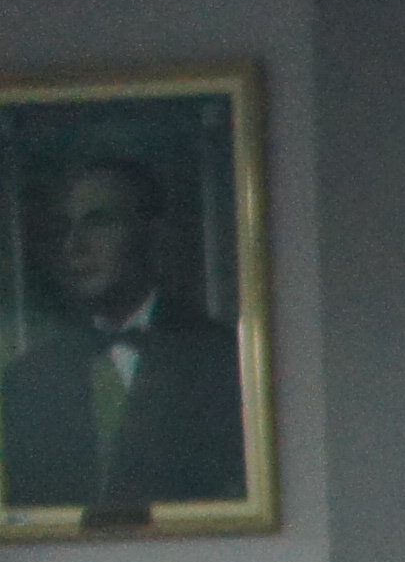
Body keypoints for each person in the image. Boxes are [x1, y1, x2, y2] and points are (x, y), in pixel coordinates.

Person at [3, 155, 249, 516]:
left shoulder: (221, 359)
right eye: (65, 229)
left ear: (153, 234)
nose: (75, 247)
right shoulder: (30, 378)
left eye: (99, 223)